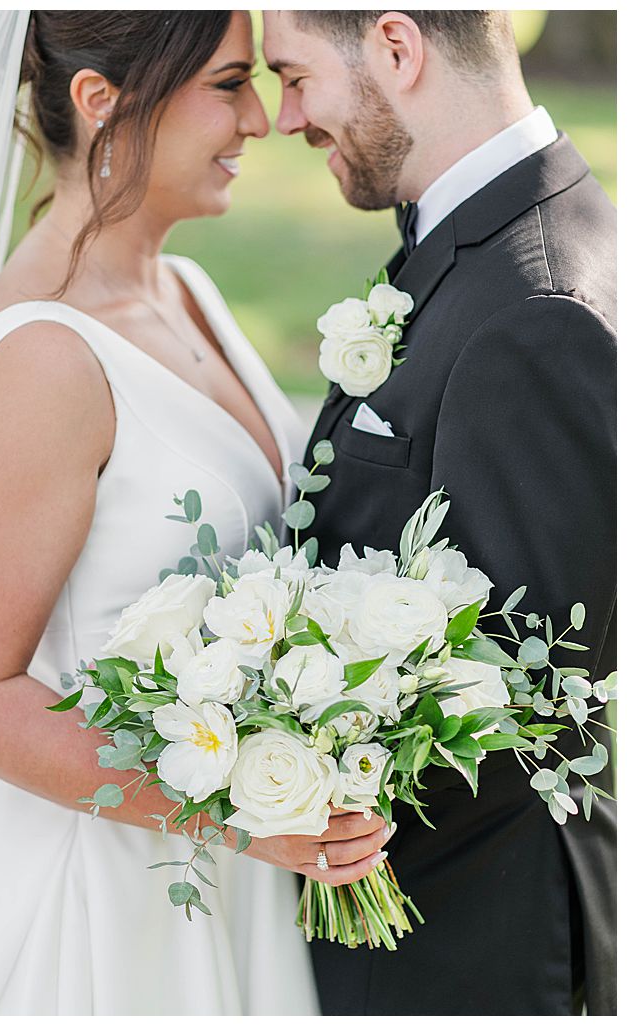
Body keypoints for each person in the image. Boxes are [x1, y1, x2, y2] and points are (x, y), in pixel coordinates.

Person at [0, 12, 386, 1014]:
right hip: (108, 909)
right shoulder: (39, 358)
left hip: (237, 877)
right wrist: (241, 815)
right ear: (100, 102)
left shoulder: (185, 288)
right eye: (228, 84)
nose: (263, 120)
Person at [263, 11, 615, 1015]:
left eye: (292, 76)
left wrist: (266, 750)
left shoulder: (538, 302)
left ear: (394, 47)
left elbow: (529, 695)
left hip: (462, 948)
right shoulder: (476, 240)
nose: (283, 116)